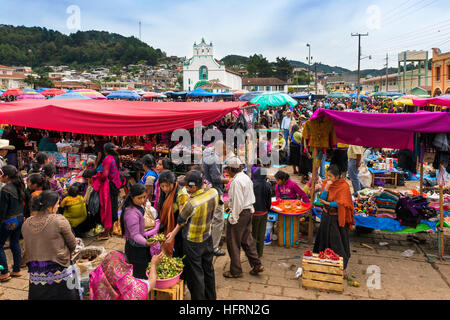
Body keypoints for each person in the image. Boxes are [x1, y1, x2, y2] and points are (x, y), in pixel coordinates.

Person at [165, 170, 218, 300]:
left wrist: (172, 234)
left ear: (194, 187)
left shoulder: (192, 203)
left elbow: (181, 221)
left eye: (187, 186)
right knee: (208, 270)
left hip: (193, 242)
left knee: (195, 275)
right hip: (207, 237)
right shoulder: (214, 193)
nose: (185, 188)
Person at [22, 190, 81, 300]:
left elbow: (27, 246)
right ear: (50, 206)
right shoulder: (59, 220)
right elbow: (72, 244)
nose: (58, 206)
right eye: (57, 203)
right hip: (59, 269)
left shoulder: (26, 223)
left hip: (36, 272)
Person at [222, 156, 264, 278]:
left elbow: (237, 203)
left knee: (233, 242)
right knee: (247, 240)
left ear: (230, 169)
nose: (226, 172)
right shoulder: (245, 177)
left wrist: (232, 218)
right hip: (248, 212)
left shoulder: (236, 182)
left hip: (240, 214)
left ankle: (235, 270)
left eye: (227, 170)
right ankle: (256, 264)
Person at [313, 165, 355, 271]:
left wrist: (328, 203)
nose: (329, 178)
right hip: (326, 217)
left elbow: (343, 203)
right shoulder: (326, 183)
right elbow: (321, 198)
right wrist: (326, 187)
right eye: (328, 175)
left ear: (337, 177)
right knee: (323, 240)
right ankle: (322, 262)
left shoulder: (343, 186)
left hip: (337, 219)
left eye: (331, 176)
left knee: (338, 243)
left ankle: (340, 265)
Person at [121, 183, 161, 279]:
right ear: (132, 197)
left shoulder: (138, 207)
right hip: (135, 249)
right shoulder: (131, 213)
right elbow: (135, 235)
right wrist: (146, 242)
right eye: (139, 198)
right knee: (139, 275)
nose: (143, 200)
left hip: (140, 245)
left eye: (144, 197)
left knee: (144, 271)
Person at [201, 140, 230, 257]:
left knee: (209, 219)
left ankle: (207, 244)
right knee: (219, 220)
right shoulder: (214, 158)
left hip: (207, 190)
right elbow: (216, 178)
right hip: (214, 192)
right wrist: (228, 180)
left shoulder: (206, 153)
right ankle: (214, 247)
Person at [91, 142, 122, 240]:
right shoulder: (115, 158)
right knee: (113, 206)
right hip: (115, 185)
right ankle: (111, 229)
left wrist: (96, 175)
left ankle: (107, 232)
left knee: (108, 208)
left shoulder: (107, 159)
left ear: (105, 151)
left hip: (109, 186)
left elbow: (104, 175)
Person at [0, 165, 26, 281]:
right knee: (14, 243)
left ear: (6, 176)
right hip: (20, 219)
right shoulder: (19, 186)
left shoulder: (5, 190)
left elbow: (2, 211)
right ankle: (16, 270)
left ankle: (4, 272)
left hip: (10, 221)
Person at [157, 170, 189, 257]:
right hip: (169, 225)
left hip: (179, 227)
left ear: (173, 183)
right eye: (162, 186)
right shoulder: (165, 192)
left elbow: (183, 217)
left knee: (178, 250)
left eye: (167, 186)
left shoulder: (181, 194)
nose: (165, 189)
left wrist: (174, 232)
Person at [252, 167, 272, 258]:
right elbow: (269, 201)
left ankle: (252, 253)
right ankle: (259, 253)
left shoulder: (251, 184)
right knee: (261, 233)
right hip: (263, 212)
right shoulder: (267, 185)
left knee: (253, 234)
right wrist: (267, 209)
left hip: (253, 212)